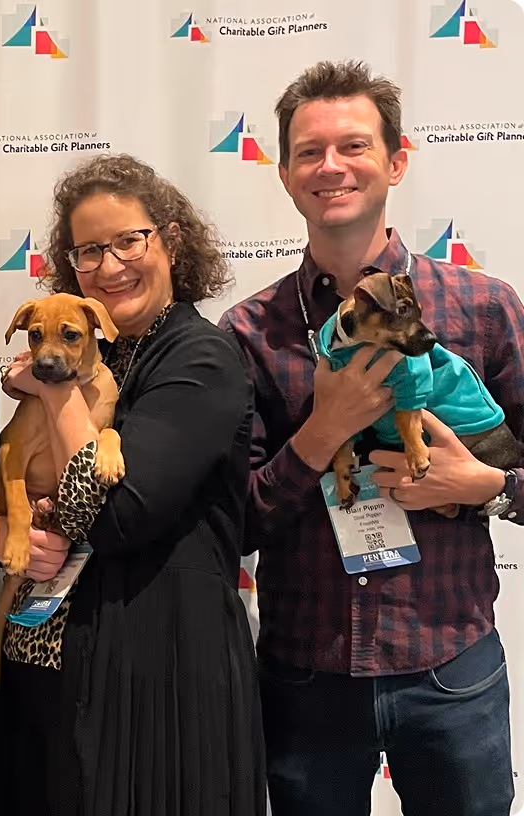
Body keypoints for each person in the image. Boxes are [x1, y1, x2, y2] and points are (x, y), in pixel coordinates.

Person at [218, 59, 522, 815]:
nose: (331, 167)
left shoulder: (483, 306)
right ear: (285, 175)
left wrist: (485, 486)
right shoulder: (248, 332)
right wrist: (323, 433)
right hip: (305, 678)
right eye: (309, 152)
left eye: (353, 146)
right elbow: (236, 520)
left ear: (396, 160)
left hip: (452, 667)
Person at [0, 153, 266, 816]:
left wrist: (51, 388)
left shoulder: (200, 356)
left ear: (173, 239)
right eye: (87, 251)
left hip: (159, 678)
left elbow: (115, 515)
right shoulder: (95, 352)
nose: (110, 266)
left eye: (130, 240)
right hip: (50, 669)